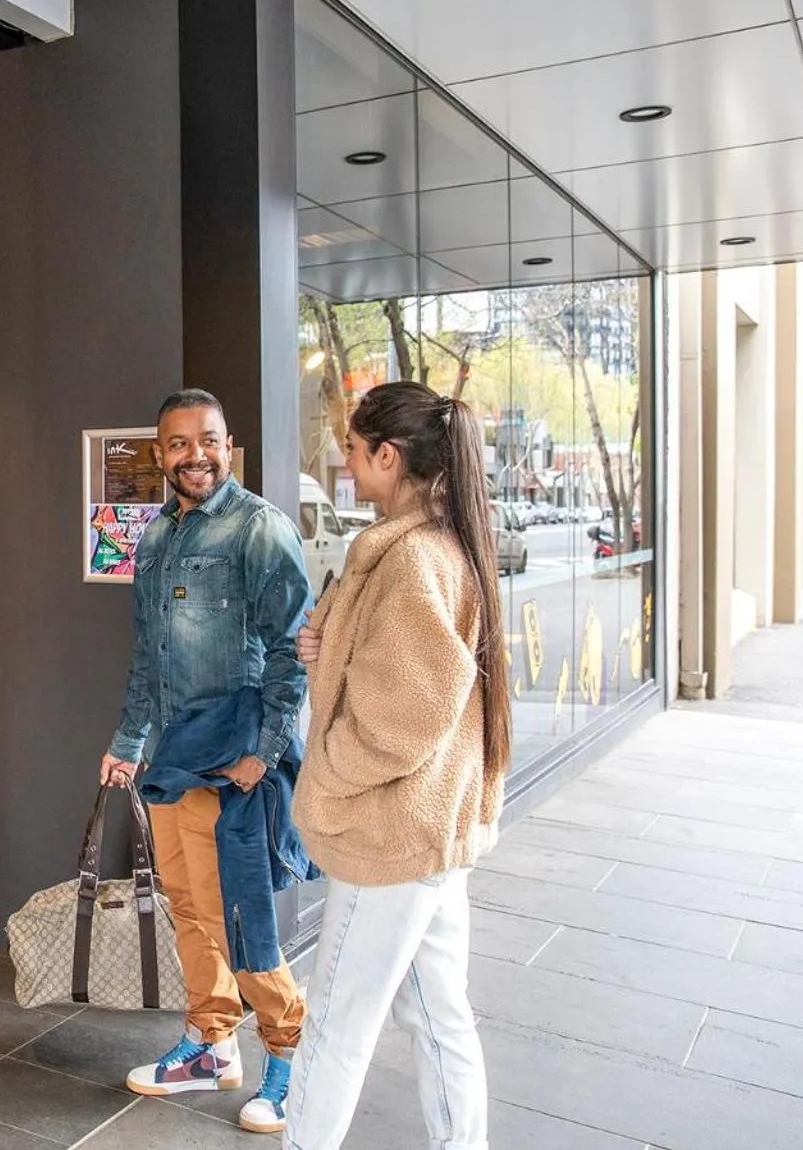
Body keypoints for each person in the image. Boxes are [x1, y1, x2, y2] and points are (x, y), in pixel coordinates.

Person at [282, 381, 509, 1150]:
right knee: (439, 1016)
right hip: (429, 832)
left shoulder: (412, 558)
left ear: (389, 455)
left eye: (352, 448)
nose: (344, 463)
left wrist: (325, 779)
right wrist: (328, 646)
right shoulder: (431, 548)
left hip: (391, 835)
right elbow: (404, 677)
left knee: (337, 1026)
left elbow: (401, 718)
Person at [100, 388, 314, 1136]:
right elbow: (148, 659)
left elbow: (294, 654)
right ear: (160, 454)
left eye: (210, 441)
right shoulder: (155, 539)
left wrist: (264, 754)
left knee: (242, 917)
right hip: (170, 759)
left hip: (233, 762)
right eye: (181, 443)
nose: (197, 455)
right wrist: (128, 744)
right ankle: (210, 1043)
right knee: (189, 907)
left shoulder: (261, 530)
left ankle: (289, 1059)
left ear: (230, 447)